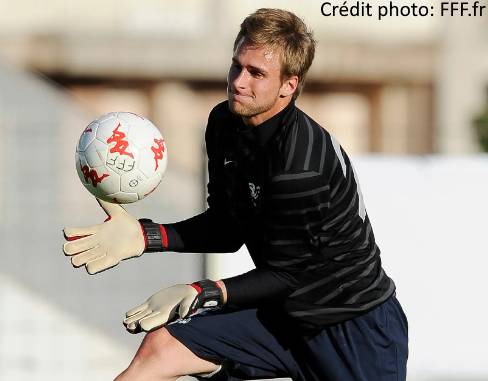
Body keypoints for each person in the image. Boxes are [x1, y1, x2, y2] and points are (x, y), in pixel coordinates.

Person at [63, 8, 408, 381]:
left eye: (256, 73)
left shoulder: (302, 165)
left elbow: (291, 273)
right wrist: (147, 237)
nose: (239, 82)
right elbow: (228, 228)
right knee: (160, 348)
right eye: (236, 66)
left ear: (289, 85)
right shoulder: (223, 124)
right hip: (280, 315)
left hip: (351, 325)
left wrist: (202, 291)